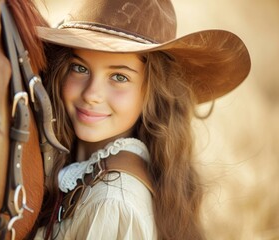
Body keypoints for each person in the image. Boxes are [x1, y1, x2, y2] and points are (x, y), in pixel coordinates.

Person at [34, 0, 251, 239]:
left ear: (152, 91)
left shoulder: (112, 201)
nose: (91, 94)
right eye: (80, 68)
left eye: (119, 76)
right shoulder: (77, 172)